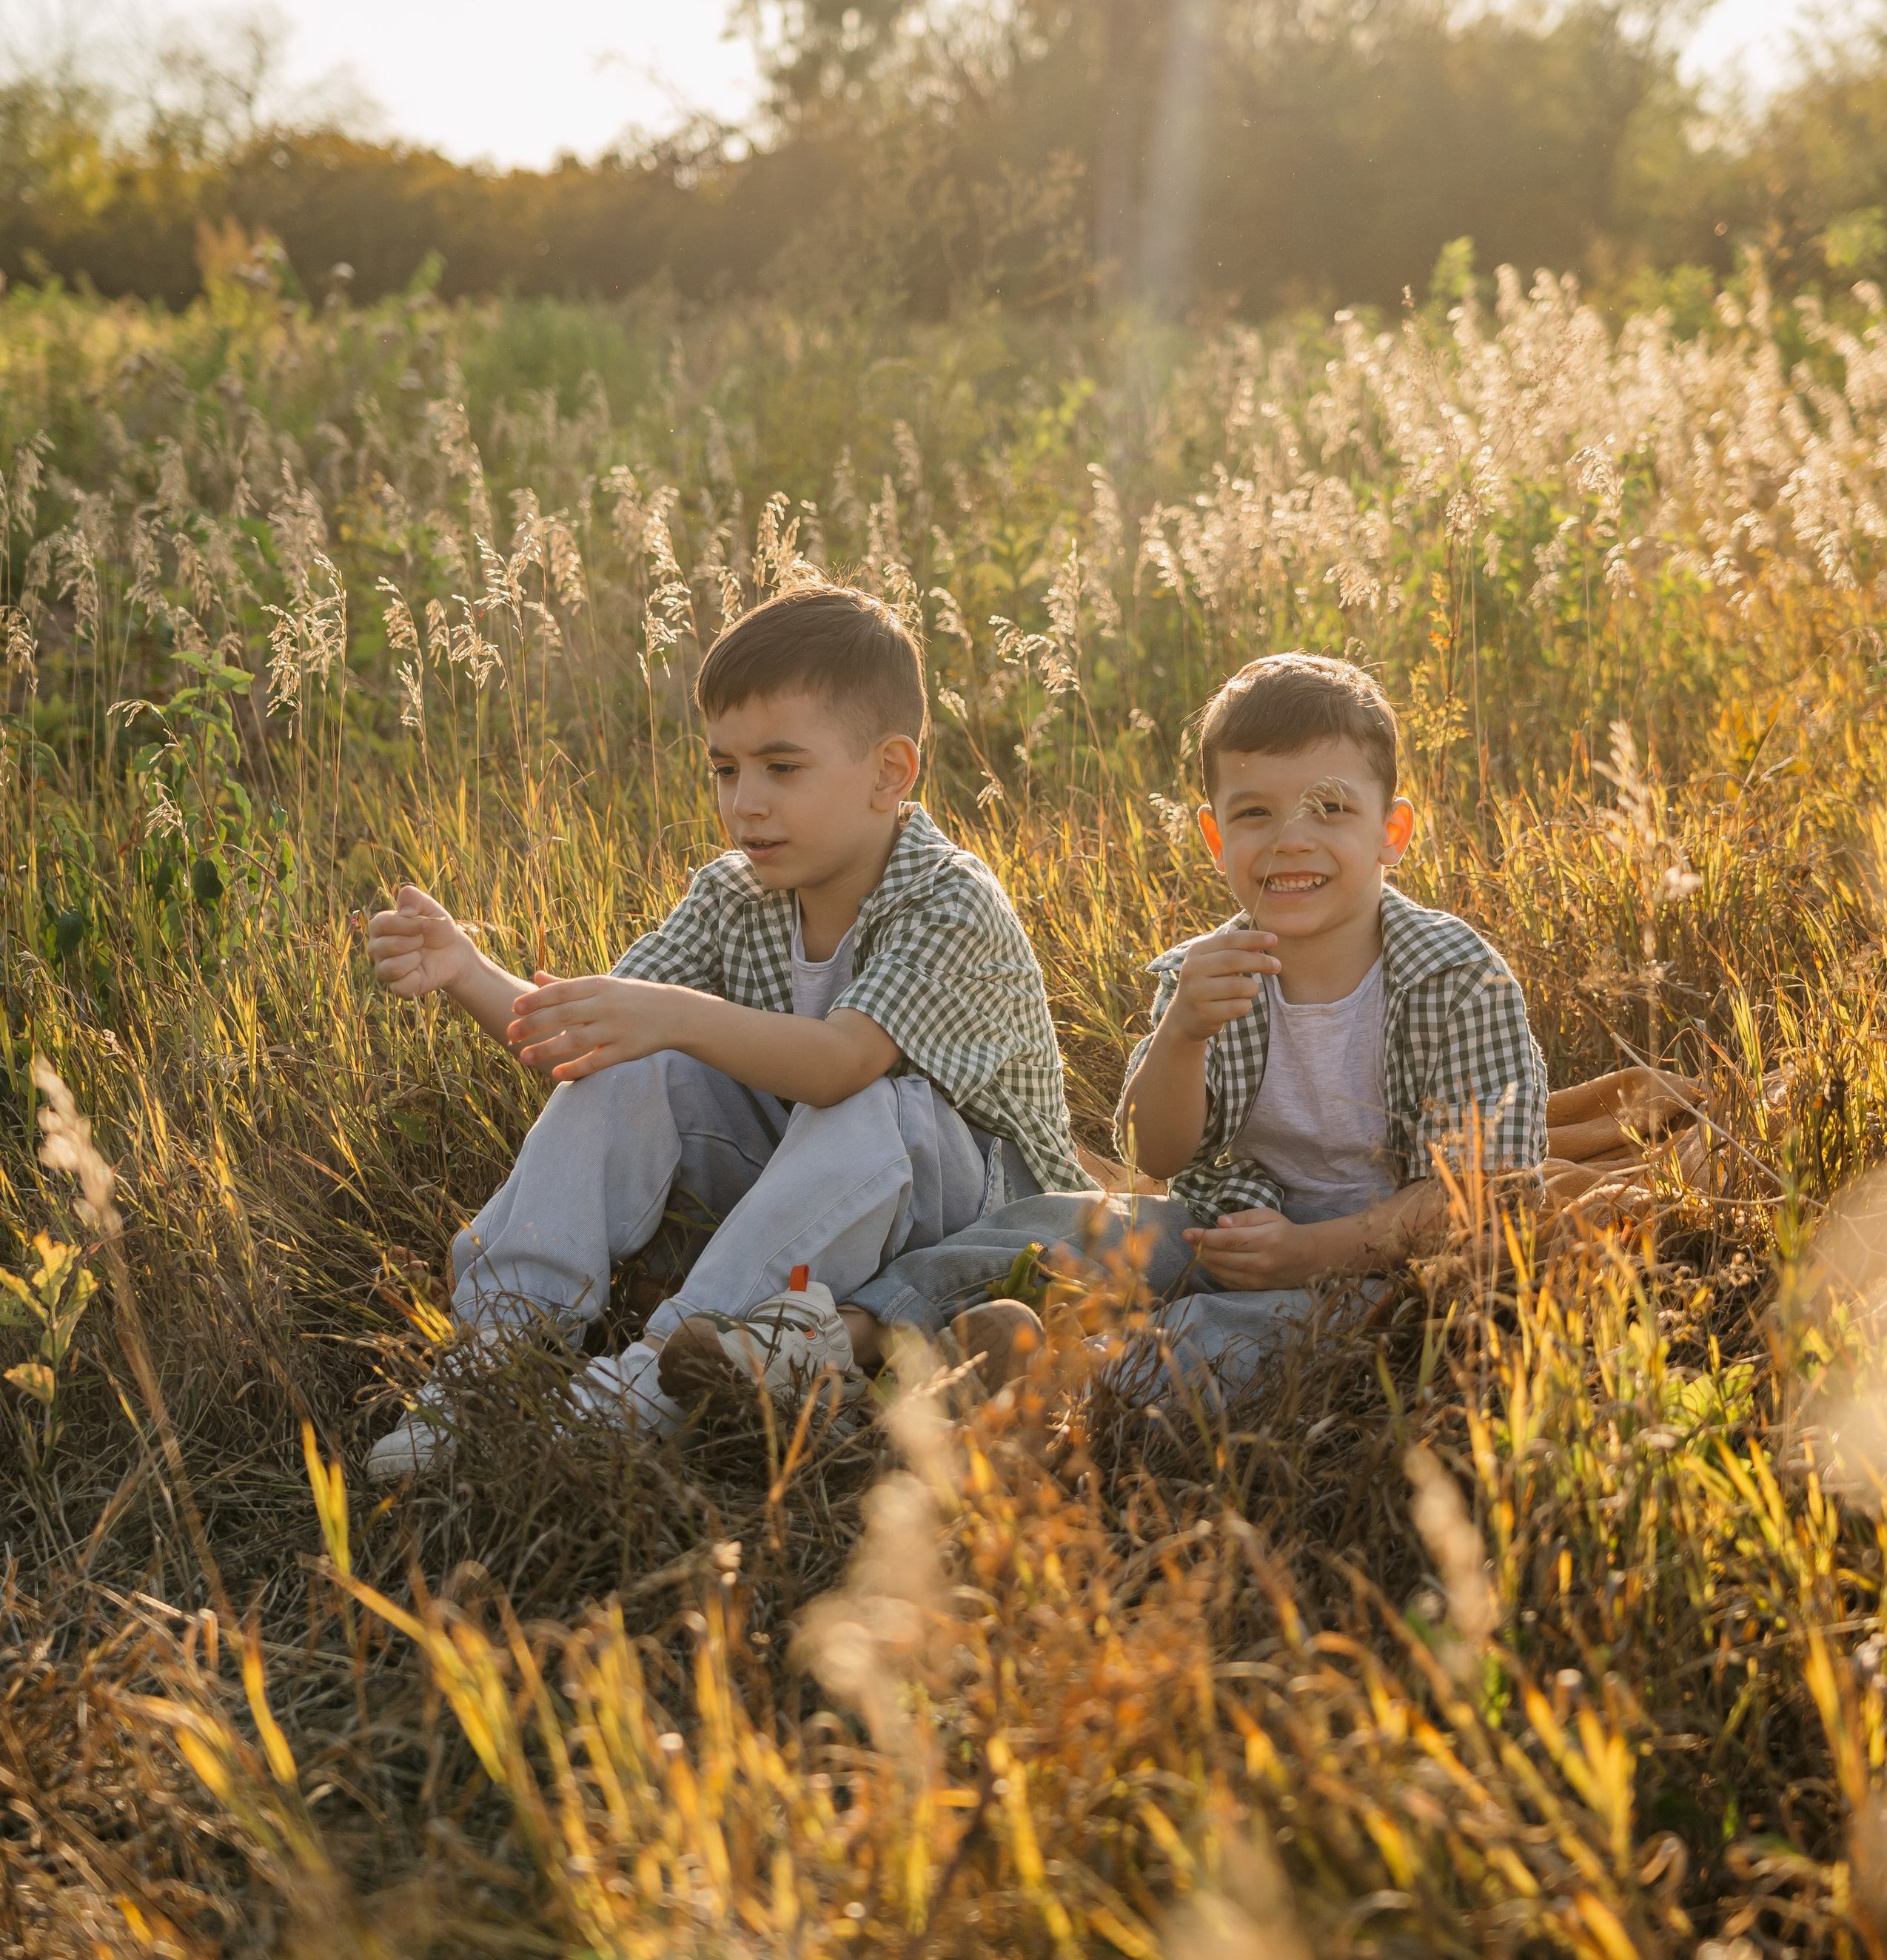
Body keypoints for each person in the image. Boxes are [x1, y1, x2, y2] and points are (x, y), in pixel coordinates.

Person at [363, 584, 1093, 1475]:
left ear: (890, 772)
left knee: (868, 1096)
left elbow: (839, 1066)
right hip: (816, 1197)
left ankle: (656, 1381)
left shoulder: (946, 899)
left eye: (782, 768)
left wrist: (671, 1016)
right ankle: (494, 1351)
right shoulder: (732, 894)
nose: (745, 802)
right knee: (631, 1066)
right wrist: (466, 970)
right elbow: (590, 1041)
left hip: (977, 1217)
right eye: (725, 769)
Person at [849, 651, 1548, 1382]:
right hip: (1228, 1228)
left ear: (1391, 832)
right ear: (1217, 840)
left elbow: (1483, 1198)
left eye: (1331, 808)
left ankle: (1056, 1381)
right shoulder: (1207, 973)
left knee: (1223, 1332)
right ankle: (836, 1339)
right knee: (1050, 1221)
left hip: (1380, 1269)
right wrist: (1182, 1033)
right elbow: (1157, 1158)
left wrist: (1308, 1253)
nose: (1290, 838)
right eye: (1255, 814)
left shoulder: (1458, 980)